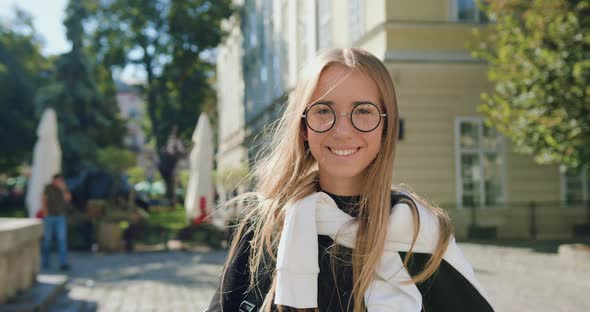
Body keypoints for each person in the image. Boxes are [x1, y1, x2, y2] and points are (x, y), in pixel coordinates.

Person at [207, 48, 494, 311]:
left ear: (386, 125)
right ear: (303, 126)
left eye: (363, 111)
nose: (343, 131)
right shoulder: (265, 228)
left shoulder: (420, 233)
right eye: (323, 111)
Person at [41, 173, 72, 271]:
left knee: (62, 240)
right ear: (54, 180)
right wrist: (45, 213)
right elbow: (44, 200)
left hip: (60, 217)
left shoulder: (63, 188)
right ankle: (45, 263)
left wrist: (63, 189)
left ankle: (63, 263)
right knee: (47, 240)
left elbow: (68, 198)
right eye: (58, 180)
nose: (59, 182)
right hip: (49, 217)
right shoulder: (48, 188)